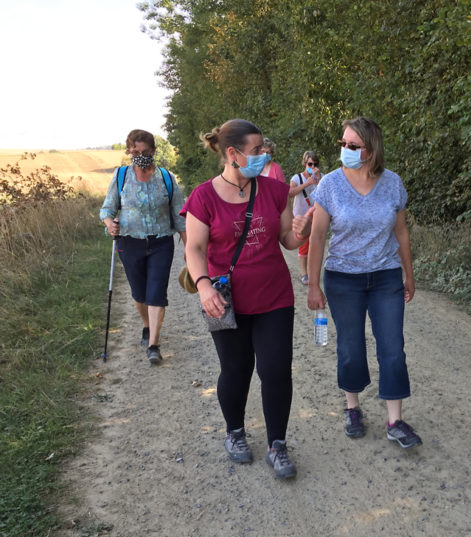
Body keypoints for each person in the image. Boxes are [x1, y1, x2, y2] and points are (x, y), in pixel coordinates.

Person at [181, 119, 312, 479]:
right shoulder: (203, 196)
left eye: (264, 150)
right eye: (256, 151)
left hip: (274, 296)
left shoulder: (274, 190)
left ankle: (277, 444)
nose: (263, 155)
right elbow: (194, 247)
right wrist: (204, 285)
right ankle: (235, 432)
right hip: (224, 299)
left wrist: (303, 231)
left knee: (276, 371)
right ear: (232, 154)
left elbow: (287, 239)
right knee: (236, 370)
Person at [307, 116, 422, 449]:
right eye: (343, 144)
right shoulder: (329, 184)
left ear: (371, 151)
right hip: (343, 279)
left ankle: (395, 420)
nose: (345, 150)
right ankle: (352, 407)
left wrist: (408, 274)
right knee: (351, 347)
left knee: (392, 348)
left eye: (353, 146)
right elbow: (316, 237)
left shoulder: (392, 184)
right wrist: (314, 285)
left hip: (385, 276)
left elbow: (400, 232)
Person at [100, 129, 186, 365]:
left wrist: (190, 249)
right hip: (130, 242)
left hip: (161, 242)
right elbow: (107, 209)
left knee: (156, 292)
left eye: (145, 151)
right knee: (139, 294)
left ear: (154, 151)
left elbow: (180, 217)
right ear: (129, 151)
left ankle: (154, 345)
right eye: (135, 151)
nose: (140, 156)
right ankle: (147, 326)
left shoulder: (167, 178)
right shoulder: (121, 176)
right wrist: (110, 224)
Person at [289, 151, 321, 285]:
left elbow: (327, 195)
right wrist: (306, 184)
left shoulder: (322, 177)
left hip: (318, 215)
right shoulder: (297, 178)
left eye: (315, 164)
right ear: (304, 163)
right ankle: (304, 273)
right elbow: (290, 193)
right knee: (304, 246)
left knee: (316, 244)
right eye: (309, 163)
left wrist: (318, 179)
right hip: (301, 216)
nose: (312, 166)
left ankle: (314, 272)